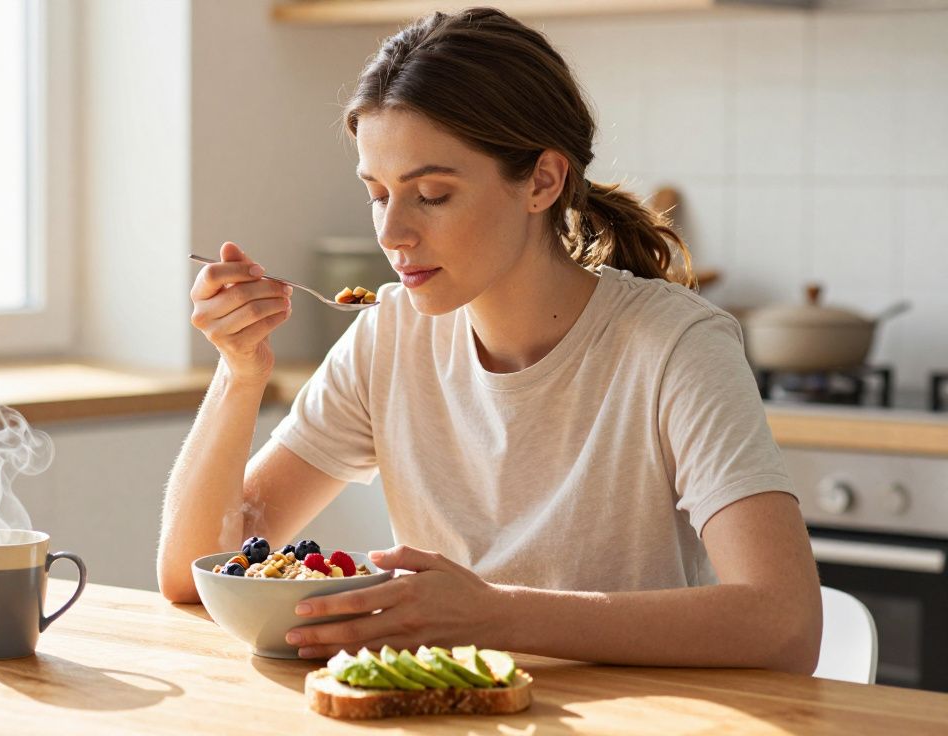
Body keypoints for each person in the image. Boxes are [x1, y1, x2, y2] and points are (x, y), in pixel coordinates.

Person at [157, 7, 821, 673]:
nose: (391, 235)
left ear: (541, 181)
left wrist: (491, 614)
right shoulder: (389, 335)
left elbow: (784, 622)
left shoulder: (676, 345)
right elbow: (195, 573)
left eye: (433, 195)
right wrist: (239, 374)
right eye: (378, 193)